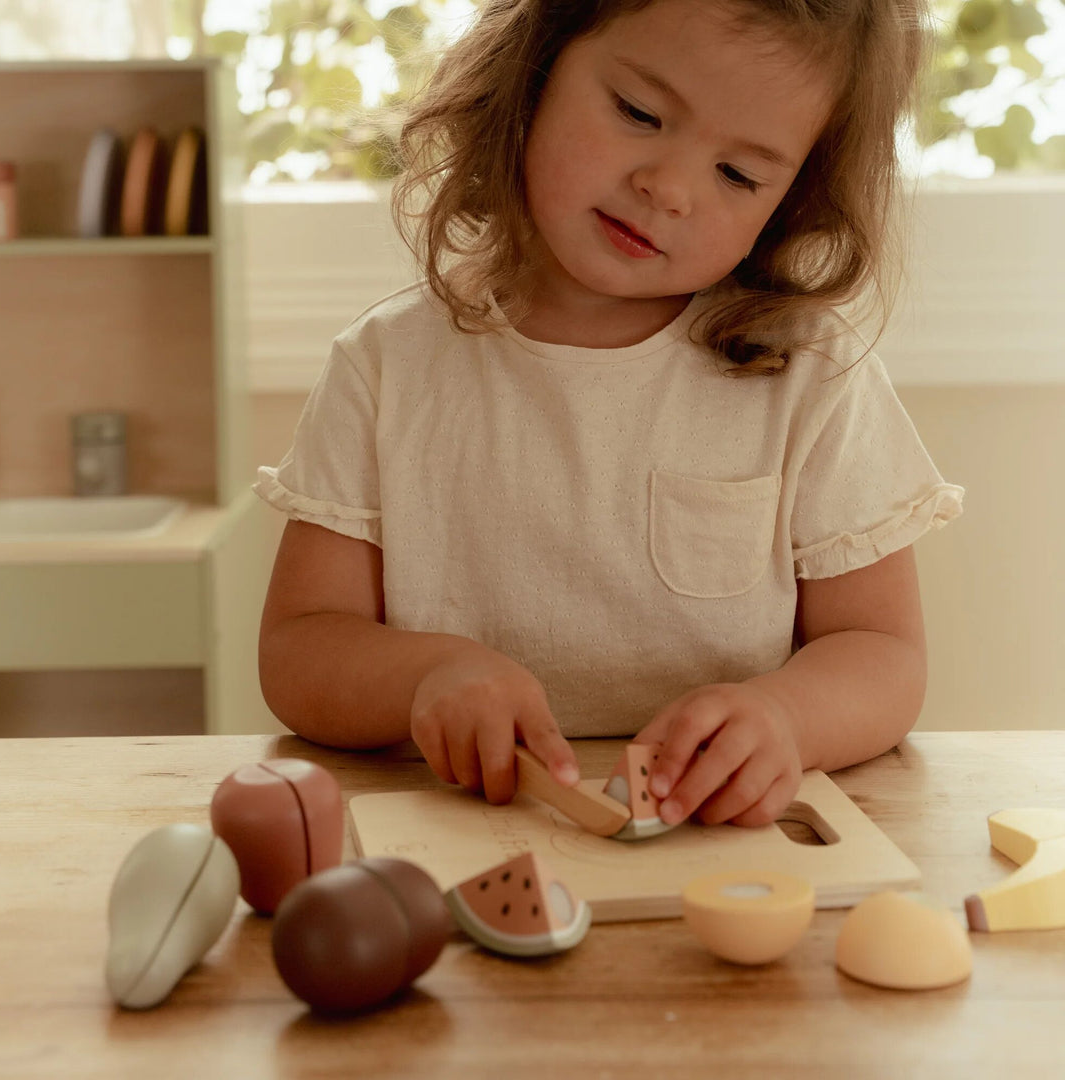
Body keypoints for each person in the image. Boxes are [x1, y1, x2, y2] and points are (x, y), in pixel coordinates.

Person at [255, 0, 963, 829]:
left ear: (795, 200)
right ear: (537, 68)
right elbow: (299, 648)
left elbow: (884, 658)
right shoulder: (386, 368)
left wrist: (787, 720)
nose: (667, 188)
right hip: (450, 829)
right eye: (639, 113)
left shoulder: (813, 378)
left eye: (738, 175)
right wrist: (425, 676)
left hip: (719, 841)